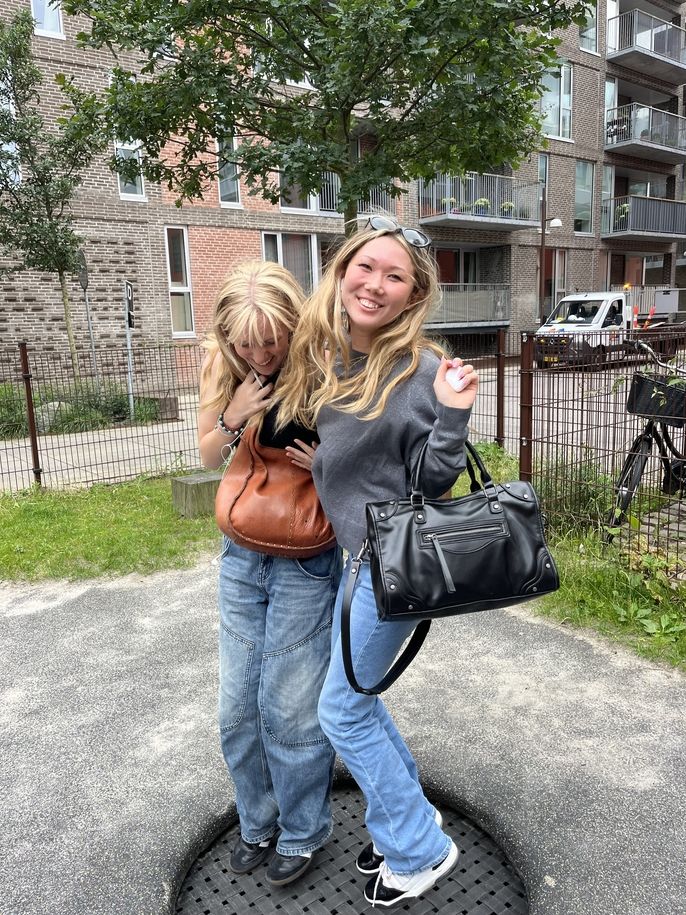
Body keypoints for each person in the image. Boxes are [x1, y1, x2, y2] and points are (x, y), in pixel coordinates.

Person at [278, 216, 479, 908]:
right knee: (358, 701)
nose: (375, 283)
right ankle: (408, 818)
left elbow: (431, 482)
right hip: (356, 560)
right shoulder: (332, 350)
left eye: (395, 275)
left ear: (412, 293)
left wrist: (452, 413)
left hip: (393, 566)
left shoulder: (417, 369)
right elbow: (352, 445)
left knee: (343, 712)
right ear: (342, 271)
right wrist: (323, 457)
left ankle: (420, 850)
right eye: (366, 267)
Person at [198, 260, 342, 888]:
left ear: (295, 322)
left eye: (273, 337)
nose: (261, 350)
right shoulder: (228, 365)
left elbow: (368, 454)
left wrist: (330, 460)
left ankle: (304, 831)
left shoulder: (325, 363)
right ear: (227, 335)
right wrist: (232, 414)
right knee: (236, 706)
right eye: (246, 341)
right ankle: (257, 823)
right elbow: (204, 451)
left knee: (289, 709)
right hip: (241, 556)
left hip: (305, 559)